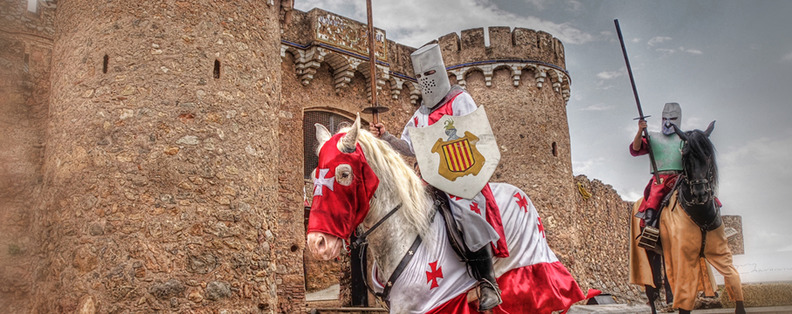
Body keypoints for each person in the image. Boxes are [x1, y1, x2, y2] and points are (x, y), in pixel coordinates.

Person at [369, 43, 505, 311]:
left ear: (441, 72)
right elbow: (409, 147)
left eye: (430, 74)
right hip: (429, 182)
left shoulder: (460, 100)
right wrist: (385, 136)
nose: (426, 81)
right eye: (421, 77)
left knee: (467, 213)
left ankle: (488, 282)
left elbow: (476, 137)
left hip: (462, 180)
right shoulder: (420, 114)